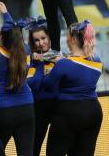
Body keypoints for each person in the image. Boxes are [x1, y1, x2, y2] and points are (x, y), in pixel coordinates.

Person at [43, 20, 103, 156]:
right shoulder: (97, 61)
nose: (66, 40)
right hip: (93, 112)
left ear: (74, 39)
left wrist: (50, 69)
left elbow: (47, 86)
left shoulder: (64, 64)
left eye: (67, 36)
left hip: (69, 113)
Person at [0, 2, 39, 156]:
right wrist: (6, 13)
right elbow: (14, 33)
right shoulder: (25, 50)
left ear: (2, 37)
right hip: (26, 107)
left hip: (2, 110)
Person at [27, 19, 58, 156]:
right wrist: (39, 63)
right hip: (38, 108)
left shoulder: (60, 57)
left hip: (59, 108)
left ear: (50, 37)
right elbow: (35, 84)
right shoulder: (31, 61)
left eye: (43, 38)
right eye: (36, 40)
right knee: (34, 148)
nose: (41, 43)